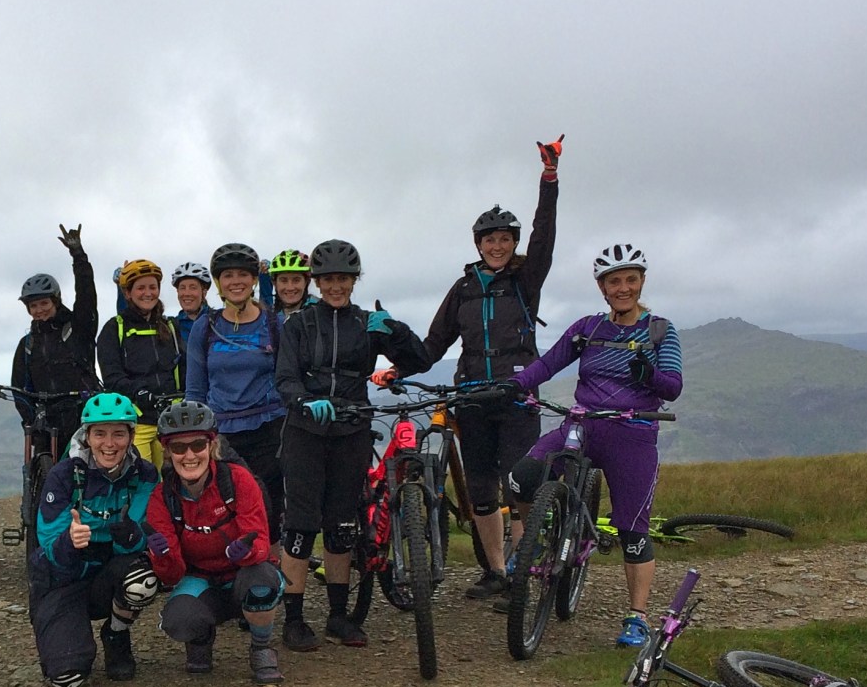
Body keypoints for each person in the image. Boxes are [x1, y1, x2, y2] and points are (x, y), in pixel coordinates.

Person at [379, 136, 563, 602]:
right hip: (472, 395)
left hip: (518, 392)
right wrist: (397, 368)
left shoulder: (525, 279)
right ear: (478, 244)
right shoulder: (462, 288)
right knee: (481, 488)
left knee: (518, 481)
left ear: (513, 243)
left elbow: (545, 235)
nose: (497, 245)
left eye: (504, 238)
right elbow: (434, 343)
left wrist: (549, 180)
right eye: (489, 239)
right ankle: (497, 572)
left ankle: (523, 577)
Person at [498, 243, 682, 648]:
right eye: (614, 281)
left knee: (632, 529)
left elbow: (674, 386)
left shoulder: (660, 331)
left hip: (632, 434)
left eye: (630, 280)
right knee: (517, 480)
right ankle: (537, 538)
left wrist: (648, 374)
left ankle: (637, 617)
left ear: (641, 282)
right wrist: (516, 383)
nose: (623, 288)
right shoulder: (589, 328)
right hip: (580, 426)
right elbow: (548, 363)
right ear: (602, 287)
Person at [273, 238, 432, 650]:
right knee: (301, 525)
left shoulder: (366, 323)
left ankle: (338, 617)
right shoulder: (299, 325)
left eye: (343, 279)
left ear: (354, 281)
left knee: (343, 524)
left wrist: (394, 330)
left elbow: (419, 360)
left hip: (352, 429)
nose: (336, 287)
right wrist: (306, 401)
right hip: (305, 432)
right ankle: (293, 619)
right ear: (317, 282)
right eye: (328, 280)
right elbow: (285, 379)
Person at [144, 401, 284, 685]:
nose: (190, 455)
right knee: (178, 619)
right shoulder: (162, 497)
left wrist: (244, 553)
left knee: (262, 581)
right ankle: (200, 638)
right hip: (201, 578)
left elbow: (259, 542)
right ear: (168, 452)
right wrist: (161, 557)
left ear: (212, 446)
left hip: (242, 574)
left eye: (198, 445)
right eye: (179, 448)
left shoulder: (238, 480)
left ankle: (261, 647)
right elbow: (171, 575)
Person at [29, 392, 161, 687]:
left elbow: (145, 534)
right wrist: (69, 541)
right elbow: (48, 542)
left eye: (118, 433)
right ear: (86, 436)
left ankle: (116, 634)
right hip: (63, 578)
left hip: (107, 572)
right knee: (67, 679)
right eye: (99, 433)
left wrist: (131, 538)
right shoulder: (62, 475)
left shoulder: (145, 475)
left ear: (131, 435)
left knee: (142, 579)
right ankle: (66, 641)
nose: (109, 443)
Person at [184, 243, 285, 514]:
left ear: (254, 280)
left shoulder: (274, 324)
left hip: (270, 429)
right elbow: (195, 390)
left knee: (269, 511)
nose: (236, 281)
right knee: (225, 511)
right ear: (218, 282)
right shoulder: (204, 327)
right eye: (228, 275)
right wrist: (194, 433)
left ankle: (269, 558)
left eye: (243, 274)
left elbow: (286, 378)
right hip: (222, 434)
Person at [10, 224, 102, 462]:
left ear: (56, 301)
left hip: (82, 413)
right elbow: (19, 388)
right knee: (44, 473)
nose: (39, 310)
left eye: (44, 303)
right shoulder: (27, 344)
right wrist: (30, 419)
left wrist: (78, 257)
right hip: (46, 419)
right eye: (33, 306)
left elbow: (87, 297)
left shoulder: (78, 329)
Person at [96, 259, 183, 468]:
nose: (148, 293)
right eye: (141, 288)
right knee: (144, 483)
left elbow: (185, 367)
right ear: (128, 293)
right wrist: (139, 392)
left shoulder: (170, 326)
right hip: (138, 420)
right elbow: (111, 376)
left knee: (176, 483)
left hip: (172, 419)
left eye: (153, 287)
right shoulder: (114, 328)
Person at [266, 248, 314, 315]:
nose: (290, 288)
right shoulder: (268, 314)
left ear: (306, 282)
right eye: (283, 280)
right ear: (274, 283)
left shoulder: (320, 312)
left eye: (296, 280)